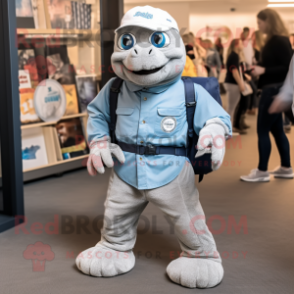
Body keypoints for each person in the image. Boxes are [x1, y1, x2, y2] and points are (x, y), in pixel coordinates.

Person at [241, 8, 293, 182]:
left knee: (262, 130)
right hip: (272, 88)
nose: (259, 26)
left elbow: (287, 67)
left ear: (269, 22)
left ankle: (262, 171)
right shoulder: (273, 41)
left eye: (260, 23)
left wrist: (264, 69)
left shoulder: (279, 40)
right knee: (277, 130)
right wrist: (258, 68)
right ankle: (286, 167)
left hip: (273, 90)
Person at [224, 39, 245, 130]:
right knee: (231, 108)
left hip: (231, 83)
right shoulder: (234, 56)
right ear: (236, 45)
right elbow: (234, 71)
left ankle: (229, 127)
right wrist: (241, 84)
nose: (243, 46)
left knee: (231, 107)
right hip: (232, 84)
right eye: (241, 44)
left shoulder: (234, 55)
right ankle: (228, 128)